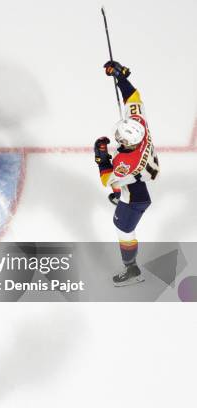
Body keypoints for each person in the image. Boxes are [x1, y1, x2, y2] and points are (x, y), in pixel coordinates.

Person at [94, 61, 160, 286]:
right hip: (149, 168)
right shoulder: (139, 122)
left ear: (128, 142)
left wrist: (101, 157)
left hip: (135, 197)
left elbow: (107, 178)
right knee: (126, 182)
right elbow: (133, 97)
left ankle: (131, 268)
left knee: (123, 229)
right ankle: (121, 194)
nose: (117, 140)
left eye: (120, 139)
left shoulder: (125, 160)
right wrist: (121, 78)